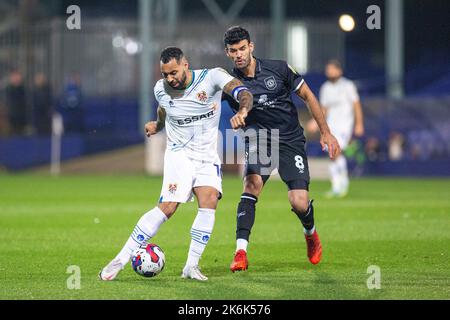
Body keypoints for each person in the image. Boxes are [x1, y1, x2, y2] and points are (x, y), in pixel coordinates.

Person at [99, 47, 253, 281]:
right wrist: (158, 125)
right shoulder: (161, 89)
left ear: (185, 65)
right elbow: (164, 109)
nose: (170, 78)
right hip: (179, 154)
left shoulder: (212, 77)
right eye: (165, 74)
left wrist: (243, 111)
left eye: (173, 72)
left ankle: (191, 266)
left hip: (207, 155)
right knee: (169, 207)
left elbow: (244, 93)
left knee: (209, 201)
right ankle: (120, 259)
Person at [222, 26, 340, 272]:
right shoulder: (228, 83)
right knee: (251, 186)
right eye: (233, 51)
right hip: (260, 142)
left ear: (251, 47)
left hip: (289, 140)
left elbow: (308, 96)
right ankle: (240, 252)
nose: (239, 54)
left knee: (298, 202)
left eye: (242, 48)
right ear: (228, 53)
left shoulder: (279, 69)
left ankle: (310, 233)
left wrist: (326, 132)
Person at [318, 59, 364, 198]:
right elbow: (323, 109)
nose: (329, 72)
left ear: (339, 71)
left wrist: (359, 124)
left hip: (345, 125)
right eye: (328, 69)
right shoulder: (325, 87)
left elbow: (356, 105)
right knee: (332, 154)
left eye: (332, 69)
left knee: (336, 152)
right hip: (331, 126)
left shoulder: (348, 86)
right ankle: (337, 185)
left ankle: (340, 184)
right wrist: (318, 124)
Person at [6, 71, 27, 135]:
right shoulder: (8, 89)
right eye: (14, 77)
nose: (16, 79)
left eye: (17, 77)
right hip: (10, 117)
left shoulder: (23, 89)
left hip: (22, 117)